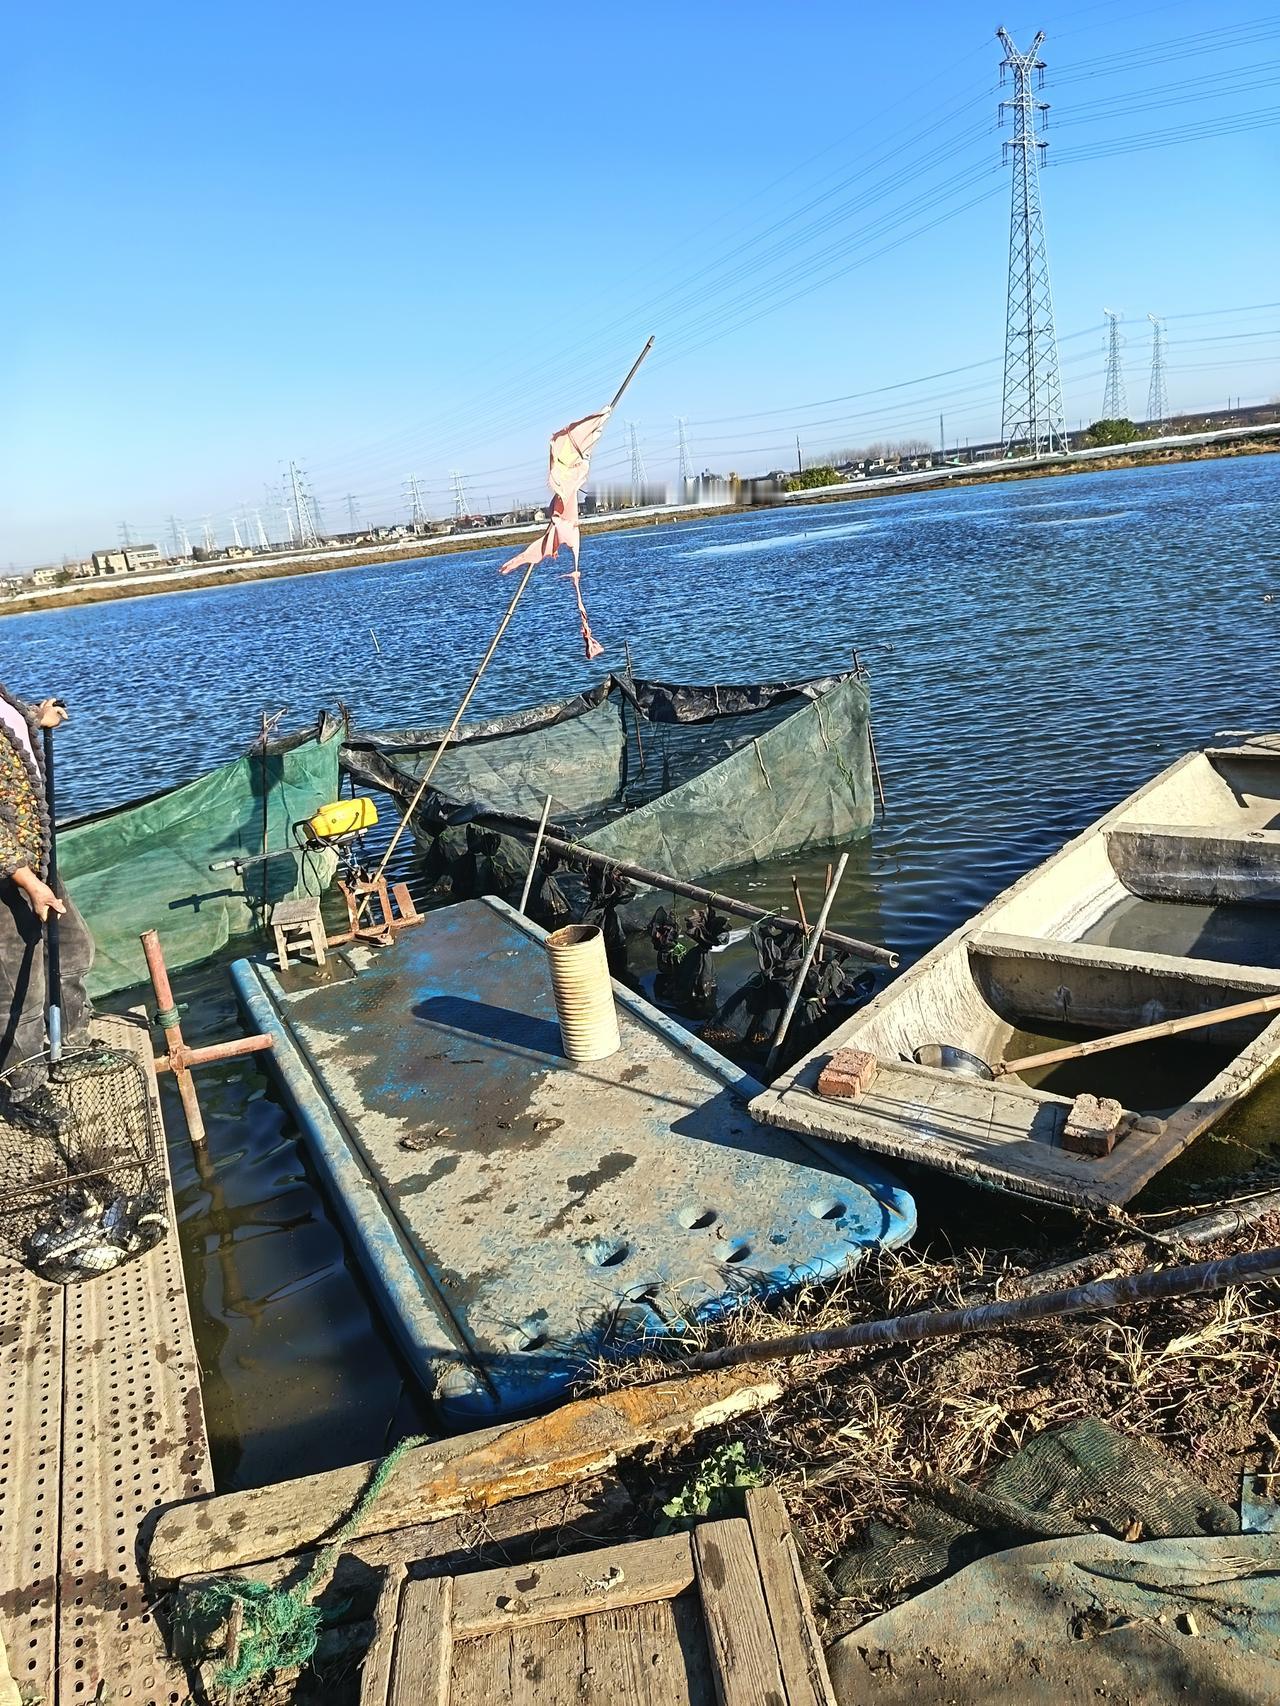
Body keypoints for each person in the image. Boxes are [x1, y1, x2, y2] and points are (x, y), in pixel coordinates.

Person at [0, 684, 95, 1132]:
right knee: (18, 987)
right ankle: (24, 1088)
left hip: (35, 857)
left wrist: (35, 719)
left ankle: (70, 1045)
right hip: (8, 874)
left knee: (74, 950)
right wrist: (28, 883)